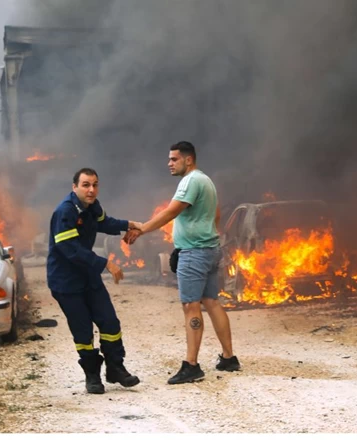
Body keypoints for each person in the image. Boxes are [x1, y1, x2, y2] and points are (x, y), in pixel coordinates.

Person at [124, 141, 240, 384]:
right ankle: (229, 358)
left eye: (174, 159)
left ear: (188, 160)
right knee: (212, 302)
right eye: (169, 159)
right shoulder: (206, 181)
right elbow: (216, 214)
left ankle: (191, 365)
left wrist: (143, 228)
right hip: (210, 250)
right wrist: (205, 234)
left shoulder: (189, 181)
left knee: (191, 307)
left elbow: (171, 212)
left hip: (194, 254)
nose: (169, 163)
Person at [47, 167, 141, 394]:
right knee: (83, 332)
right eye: (86, 185)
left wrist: (130, 224)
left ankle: (115, 369)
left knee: (109, 323)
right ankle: (92, 376)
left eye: (95, 184)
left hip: (88, 277)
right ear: (75, 187)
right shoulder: (66, 212)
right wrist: (106, 263)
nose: (91, 190)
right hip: (66, 282)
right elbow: (70, 249)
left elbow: (105, 223)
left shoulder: (92, 206)